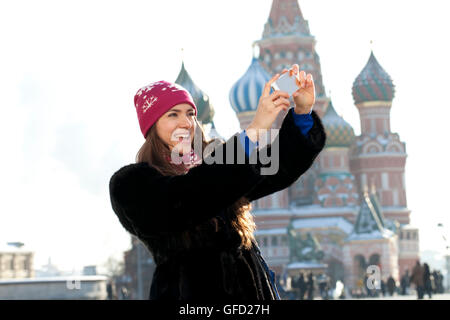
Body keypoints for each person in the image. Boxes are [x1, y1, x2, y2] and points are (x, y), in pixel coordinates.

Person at [108, 65, 327, 300]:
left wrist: (302, 113)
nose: (186, 123)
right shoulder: (131, 184)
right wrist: (253, 132)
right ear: (152, 125)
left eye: (190, 114)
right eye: (173, 114)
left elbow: (277, 168)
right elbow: (189, 196)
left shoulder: (214, 167)